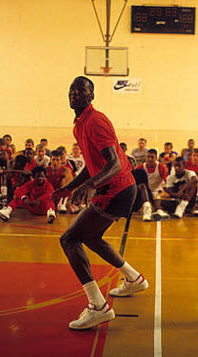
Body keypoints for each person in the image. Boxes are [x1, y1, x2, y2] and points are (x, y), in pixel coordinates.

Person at [55, 76, 148, 330]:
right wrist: (71, 186)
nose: (74, 93)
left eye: (81, 89)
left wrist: (89, 186)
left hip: (117, 189)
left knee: (69, 239)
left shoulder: (96, 120)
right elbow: (93, 164)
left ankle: (98, 306)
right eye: (71, 89)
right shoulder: (79, 125)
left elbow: (114, 164)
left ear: (91, 95)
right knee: (92, 238)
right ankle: (133, 278)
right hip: (116, 188)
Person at [48, 149, 76, 213]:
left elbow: (70, 187)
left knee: (65, 181)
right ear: (50, 160)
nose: (55, 162)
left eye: (57, 160)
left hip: (60, 194)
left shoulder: (66, 170)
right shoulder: (46, 170)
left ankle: (63, 202)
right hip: (49, 194)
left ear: (61, 161)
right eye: (53, 160)